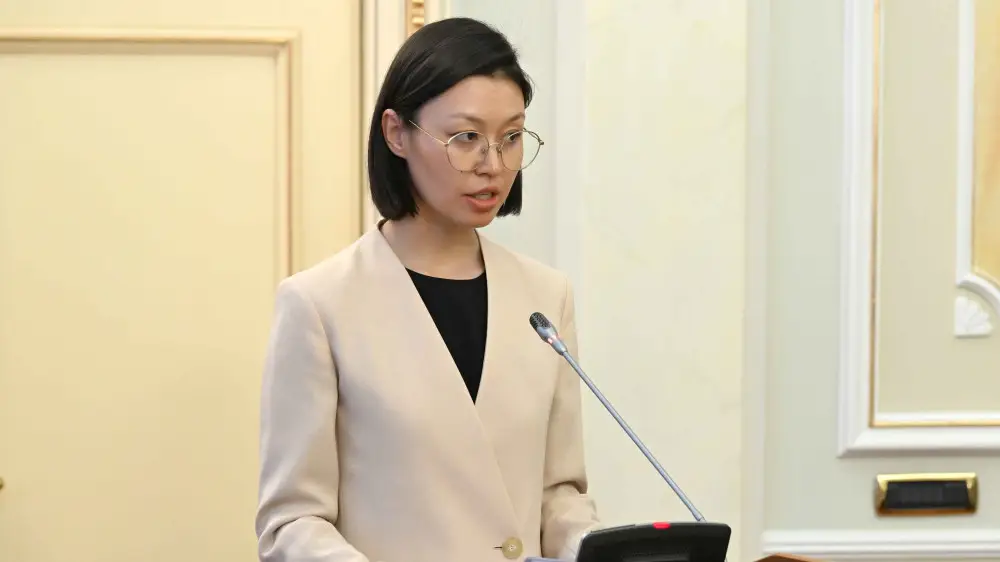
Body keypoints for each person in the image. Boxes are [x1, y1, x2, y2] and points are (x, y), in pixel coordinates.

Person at [254, 17, 600, 562]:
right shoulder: (320, 305)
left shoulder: (545, 296)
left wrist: (595, 547)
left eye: (512, 137)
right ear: (397, 133)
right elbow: (292, 521)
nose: (493, 165)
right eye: (466, 138)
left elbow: (558, 495)